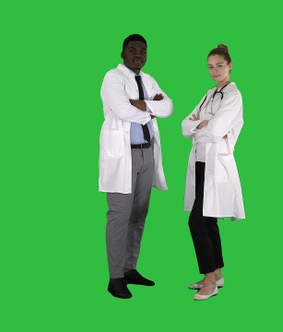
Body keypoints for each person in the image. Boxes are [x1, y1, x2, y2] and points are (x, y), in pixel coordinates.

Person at [99, 34, 173, 299]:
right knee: (119, 216)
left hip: (146, 154)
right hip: (122, 156)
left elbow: (169, 107)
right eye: (132, 50)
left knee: (139, 213)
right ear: (122, 54)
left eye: (142, 51)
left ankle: (130, 268)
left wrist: (144, 106)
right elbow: (122, 110)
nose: (138, 54)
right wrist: (151, 109)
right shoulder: (113, 78)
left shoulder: (149, 79)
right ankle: (115, 276)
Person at [181, 44, 245, 301]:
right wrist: (200, 124)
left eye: (219, 65)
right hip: (200, 163)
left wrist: (202, 125)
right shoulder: (208, 94)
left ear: (230, 66)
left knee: (196, 222)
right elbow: (184, 126)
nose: (214, 70)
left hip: (217, 165)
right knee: (207, 221)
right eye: (210, 66)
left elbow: (217, 130)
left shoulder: (234, 96)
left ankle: (209, 280)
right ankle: (217, 273)